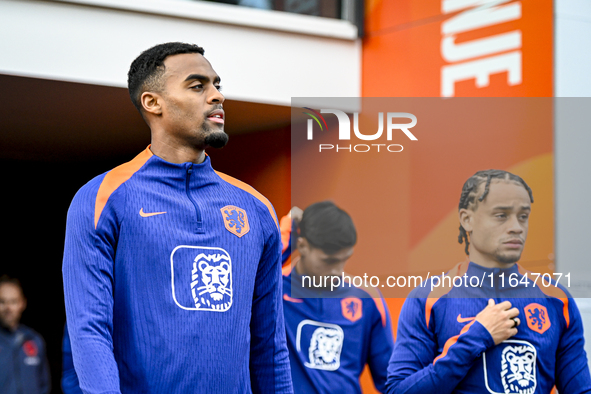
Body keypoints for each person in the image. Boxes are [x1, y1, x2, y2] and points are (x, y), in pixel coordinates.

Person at [62, 42, 292, 393]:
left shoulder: (257, 209)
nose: (217, 96)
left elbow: (269, 344)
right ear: (153, 102)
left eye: (217, 85)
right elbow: (89, 331)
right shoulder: (101, 199)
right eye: (198, 86)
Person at [386, 169, 591, 393]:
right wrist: (477, 337)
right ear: (467, 219)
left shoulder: (556, 299)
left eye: (523, 216)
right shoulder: (428, 299)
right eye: (501, 215)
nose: (517, 227)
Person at [281, 201, 394, 393]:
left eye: (344, 260)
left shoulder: (367, 298)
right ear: (302, 246)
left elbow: (391, 380)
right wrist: (286, 234)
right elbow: (247, 271)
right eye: (329, 261)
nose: (337, 272)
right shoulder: (274, 287)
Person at [0, 275, 51, 394]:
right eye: (2, 301)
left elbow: (44, 384)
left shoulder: (34, 340)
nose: (8, 308)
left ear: (22, 304)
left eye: (13, 301)